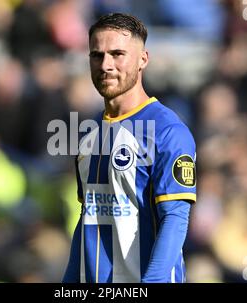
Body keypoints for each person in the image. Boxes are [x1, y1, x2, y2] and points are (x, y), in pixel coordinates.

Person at [62, 13, 196, 283]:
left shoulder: (168, 131)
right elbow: (89, 216)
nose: (106, 65)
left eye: (117, 54)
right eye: (96, 55)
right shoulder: (88, 133)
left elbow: (175, 218)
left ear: (143, 59)